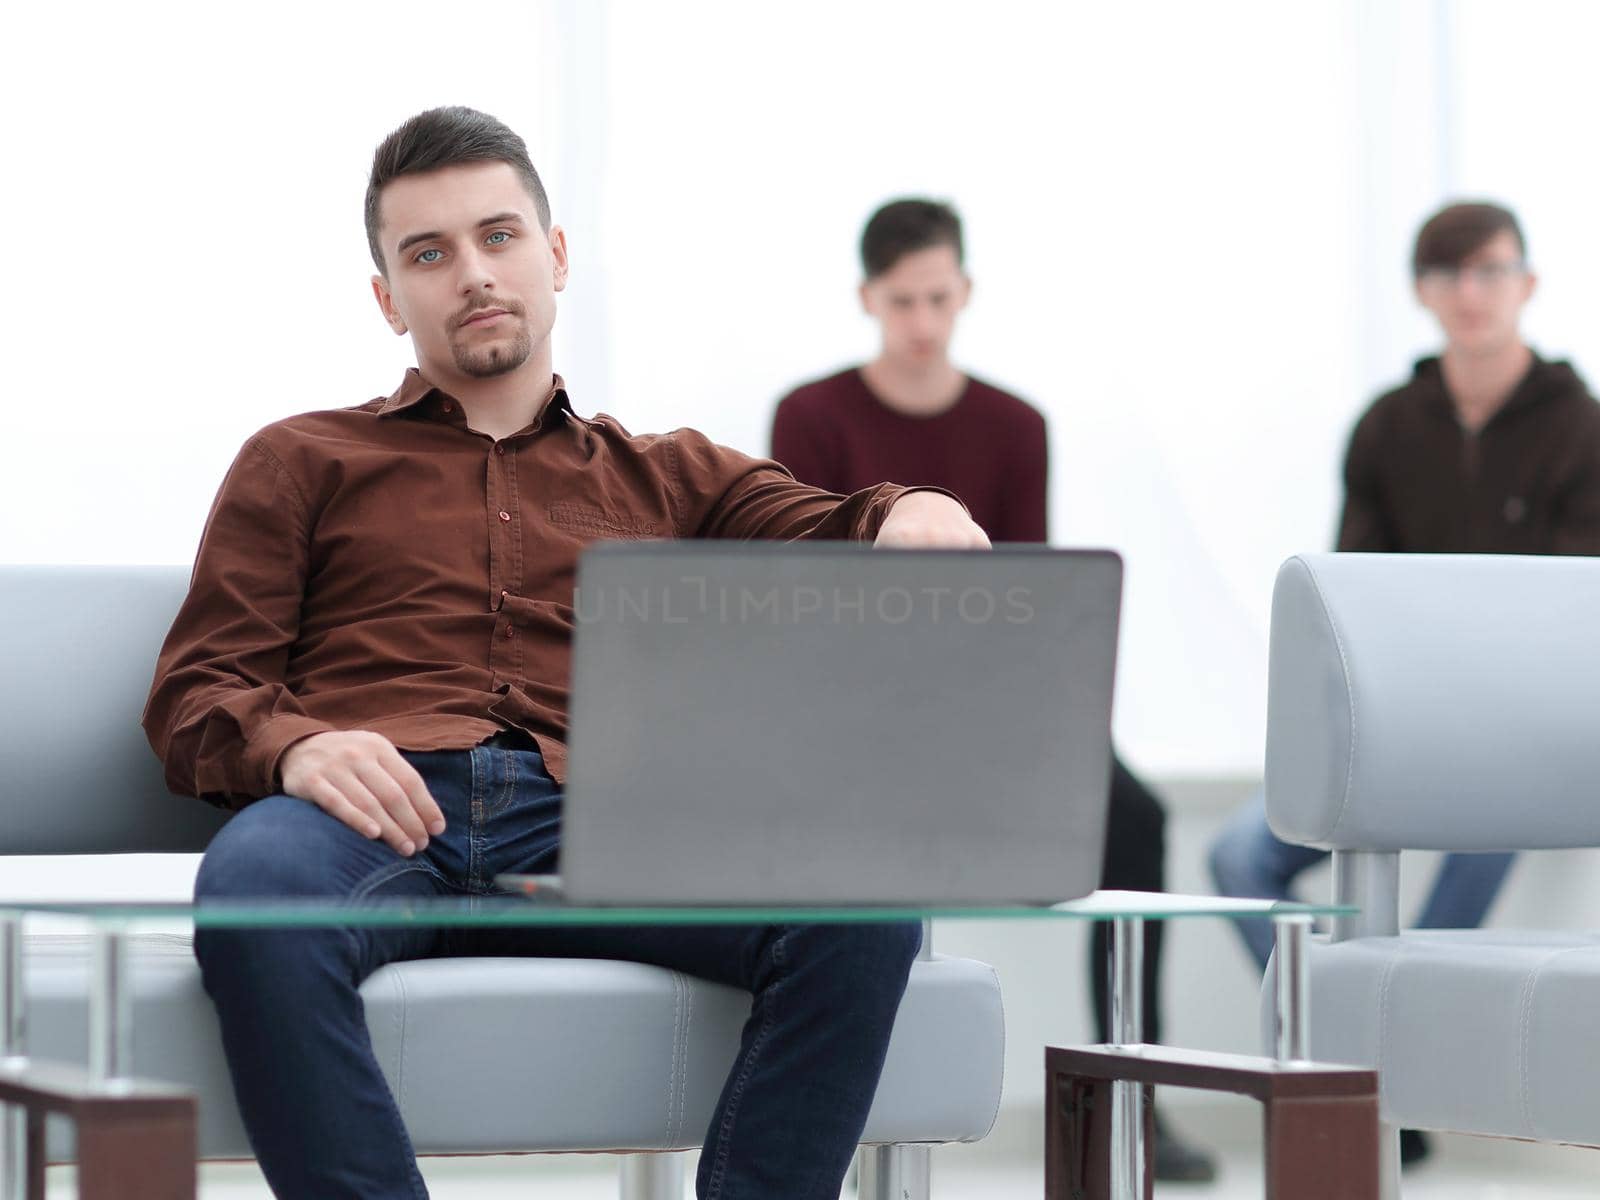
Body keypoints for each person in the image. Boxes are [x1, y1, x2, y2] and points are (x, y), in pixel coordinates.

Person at [142, 107, 991, 1200]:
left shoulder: (670, 475)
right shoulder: (300, 458)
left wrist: (909, 505)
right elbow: (198, 690)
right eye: (428, 253)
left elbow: (836, 520)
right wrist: (299, 749)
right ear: (387, 298)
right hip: (375, 810)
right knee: (255, 888)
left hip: (602, 828)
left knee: (864, 896)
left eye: (498, 237)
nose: (472, 274)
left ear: (553, 255)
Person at [771, 198, 1217, 1184]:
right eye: (902, 301)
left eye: (937, 297)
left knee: (1134, 819)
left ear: (963, 292)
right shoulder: (812, 416)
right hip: (856, 706)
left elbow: (1022, 595)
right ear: (867, 299)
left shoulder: (1013, 424)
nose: (922, 321)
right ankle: (835, 1103)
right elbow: (805, 591)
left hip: (986, 703)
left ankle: (1133, 1093)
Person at [1209, 199, 1600, 1165]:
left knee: (1481, 829)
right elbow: (1354, 600)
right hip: (1395, 732)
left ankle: (1400, 1071)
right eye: (1450, 274)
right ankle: (1362, 1076)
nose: (1472, 294)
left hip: (1519, 737)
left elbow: (1570, 613)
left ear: (1529, 284)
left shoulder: (1582, 427)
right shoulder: (1388, 427)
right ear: (1422, 291)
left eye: (1491, 271)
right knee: (1237, 859)